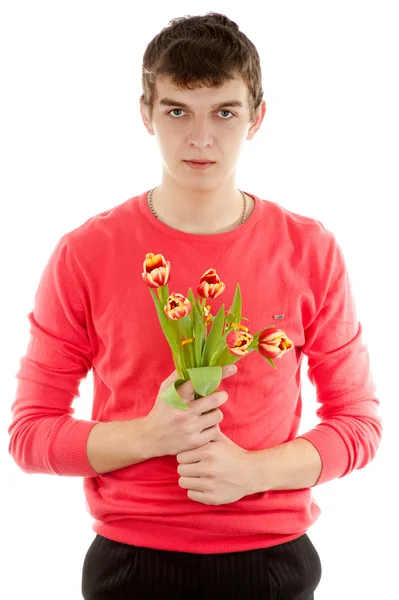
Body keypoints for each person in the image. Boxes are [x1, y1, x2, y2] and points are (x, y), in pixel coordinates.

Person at [8, 12, 382, 600]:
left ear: (257, 118)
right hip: (132, 563)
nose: (200, 138)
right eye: (177, 110)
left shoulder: (310, 250)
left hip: (271, 561)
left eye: (224, 112)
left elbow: (359, 423)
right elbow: (30, 435)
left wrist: (254, 473)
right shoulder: (86, 252)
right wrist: (149, 436)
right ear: (145, 114)